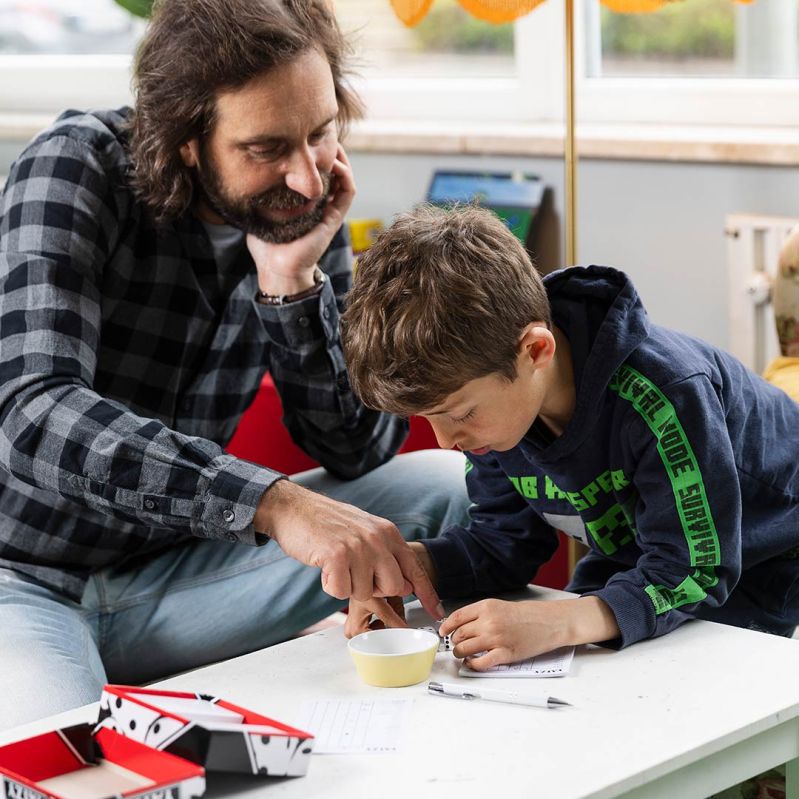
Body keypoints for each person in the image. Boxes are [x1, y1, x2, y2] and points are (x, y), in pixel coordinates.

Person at [0, 0, 468, 730]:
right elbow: (32, 413)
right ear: (185, 139)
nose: (309, 178)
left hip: (175, 581)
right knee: (68, 764)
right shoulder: (74, 165)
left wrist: (290, 284)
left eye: (320, 134)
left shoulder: (297, 207)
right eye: (266, 148)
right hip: (21, 583)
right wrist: (274, 503)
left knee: (445, 483)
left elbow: (356, 447)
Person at [340, 204, 799, 670]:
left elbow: (696, 570)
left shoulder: (665, 394)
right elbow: (506, 543)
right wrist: (411, 567)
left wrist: (560, 621)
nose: (444, 440)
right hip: (639, 561)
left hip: (764, 565)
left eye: (459, 413)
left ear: (535, 350)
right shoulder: (500, 410)